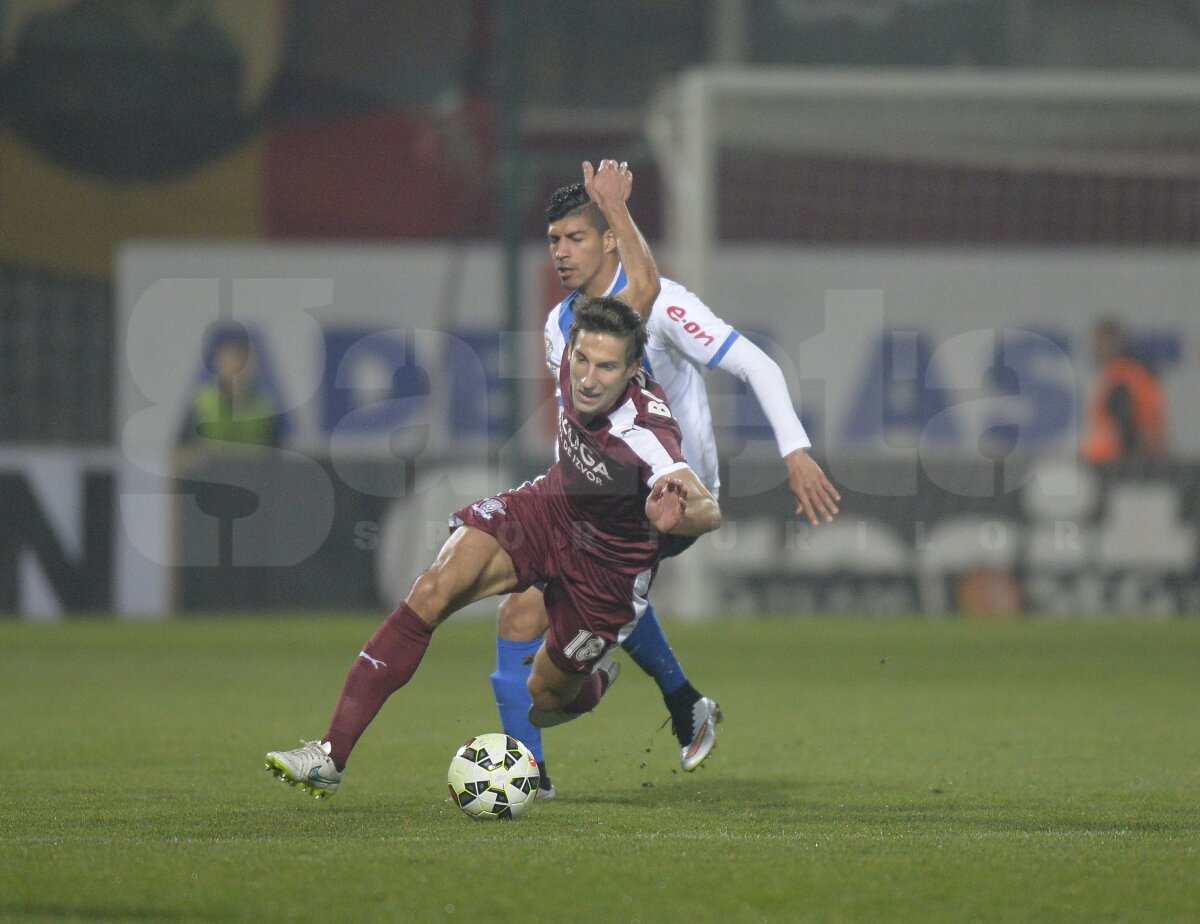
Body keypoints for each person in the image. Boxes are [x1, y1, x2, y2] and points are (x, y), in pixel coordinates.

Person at [265, 296, 722, 798]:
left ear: (634, 370)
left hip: (605, 570)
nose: (588, 379)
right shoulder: (574, 357)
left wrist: (674, 516)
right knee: (433, 589)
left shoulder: (644, 430)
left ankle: (593, 682)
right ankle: (330, 756)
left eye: (607, 367)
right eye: (583, 360)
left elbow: (708, 509)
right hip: (548, 510)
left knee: (545, 697)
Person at [491, 160, 841, 799]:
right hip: (603, 488)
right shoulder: (559, 327)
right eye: (553, 240)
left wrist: (794, 450)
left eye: (575, 237)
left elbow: (757, 365)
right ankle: (551, 764)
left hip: (674, 495)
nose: (562, 252)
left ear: (606, 239)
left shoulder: (667, 304)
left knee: (549, 610)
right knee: (521, 610)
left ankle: (558, 746)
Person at [178, 326, 283, 449]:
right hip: (211, 467)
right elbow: (181, 453)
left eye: (247, 358)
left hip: (252, 467)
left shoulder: (266, 406)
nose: (240, 366)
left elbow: (277, 457)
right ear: (218, 361)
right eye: (234, 357)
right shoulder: (201, 403)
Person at [1080, 318, 1167, 466]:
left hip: (1114, 459)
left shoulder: (1123, 375)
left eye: (1103, 342)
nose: (1098, 348)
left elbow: (1128, 420)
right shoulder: (1121, 373)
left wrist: (1132, 454)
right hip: (1109, 456)